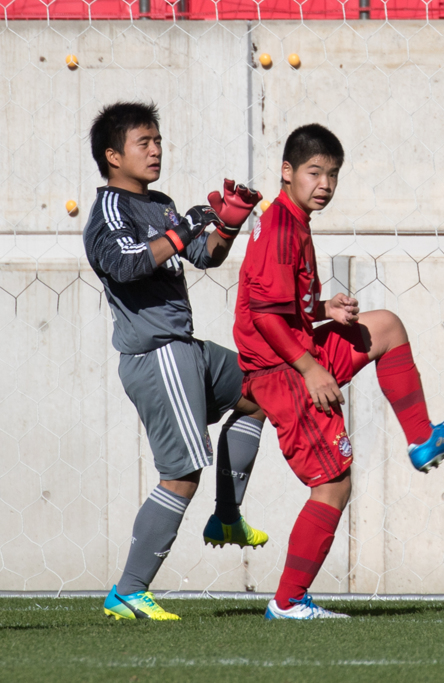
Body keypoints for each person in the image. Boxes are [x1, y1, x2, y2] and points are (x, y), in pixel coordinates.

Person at [233, 123, 444, 620]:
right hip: (285, 371)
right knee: (333, 485)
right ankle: (288, 602)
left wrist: (324, 307)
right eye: (314, 172)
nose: (324, 184)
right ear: (287, 173)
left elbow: (282, 304)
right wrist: (311, 371)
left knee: (385, 327)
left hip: (300, 350)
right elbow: (263, 316)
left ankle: (422, 440)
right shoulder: (282, 227)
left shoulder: (291, 217)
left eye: (332, 174)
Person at [84, 101, 269, 621]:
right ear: (113, 155)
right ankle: (128, 591)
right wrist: (182, 229)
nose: (155, 150)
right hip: (156, 353)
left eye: (158, 140)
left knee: (259, 393)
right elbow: (125, 265)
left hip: (186, 347)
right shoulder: (108, 214)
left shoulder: (160, 202)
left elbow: (203, 255)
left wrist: (227, 224)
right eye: (143, 142)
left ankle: (227, 516)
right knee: (182, 474)